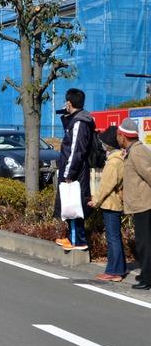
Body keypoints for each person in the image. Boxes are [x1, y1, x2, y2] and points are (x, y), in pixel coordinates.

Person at [54, 88, 95, 251]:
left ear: (69, 103)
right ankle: (74, 238)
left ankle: (78, 240)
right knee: (71, 204)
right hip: (76, 170)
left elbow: (76, 150)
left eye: (66, 102)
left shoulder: (79, 123)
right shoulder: (78, 120)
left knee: (74, 204)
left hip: (76, 172)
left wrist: (68, 174)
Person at [88, 126, 125, 282]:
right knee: (115, 236)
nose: (102, 144)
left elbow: (106, 186)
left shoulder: (113, 162)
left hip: (110, 204)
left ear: (109, 143)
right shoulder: (120, 159)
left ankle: (113, 271)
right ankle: (120, 268)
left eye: (103, 142)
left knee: (112, 238)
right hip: (116, 202)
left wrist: (95, 200)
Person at [117, 118, 151, 290]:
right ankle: (146, 275)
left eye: (118, 135)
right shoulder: (134, 151)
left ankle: (147, 279)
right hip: (141, 204)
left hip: (144, 205)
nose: (117, 138)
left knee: (144, 244)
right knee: (144, 243)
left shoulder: (137, 152)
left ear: (123, 136)